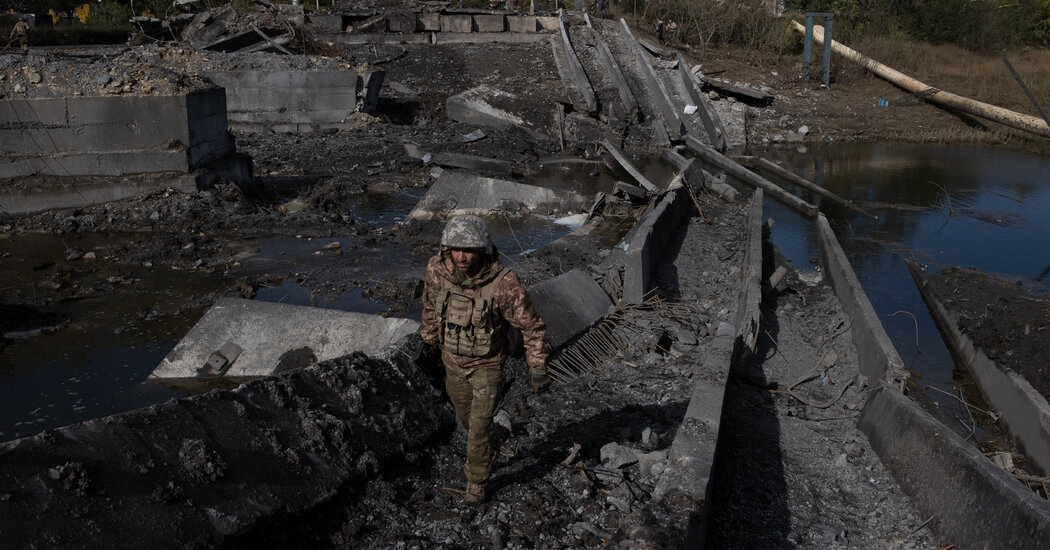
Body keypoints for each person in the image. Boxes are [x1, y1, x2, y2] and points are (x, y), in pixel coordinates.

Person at [419, 215, 550, 505]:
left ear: (482, 250)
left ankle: (477, 483)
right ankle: (498, 434)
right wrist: (429, 341)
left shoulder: (504, 283)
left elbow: (531, 326)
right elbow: (429, 304)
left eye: (468, 250)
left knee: (478, 428)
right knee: (468, 421)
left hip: (487, 366)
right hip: (452, 361)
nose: (461, 257)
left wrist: (538, 366)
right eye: (455, 249)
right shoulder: (437, 270)